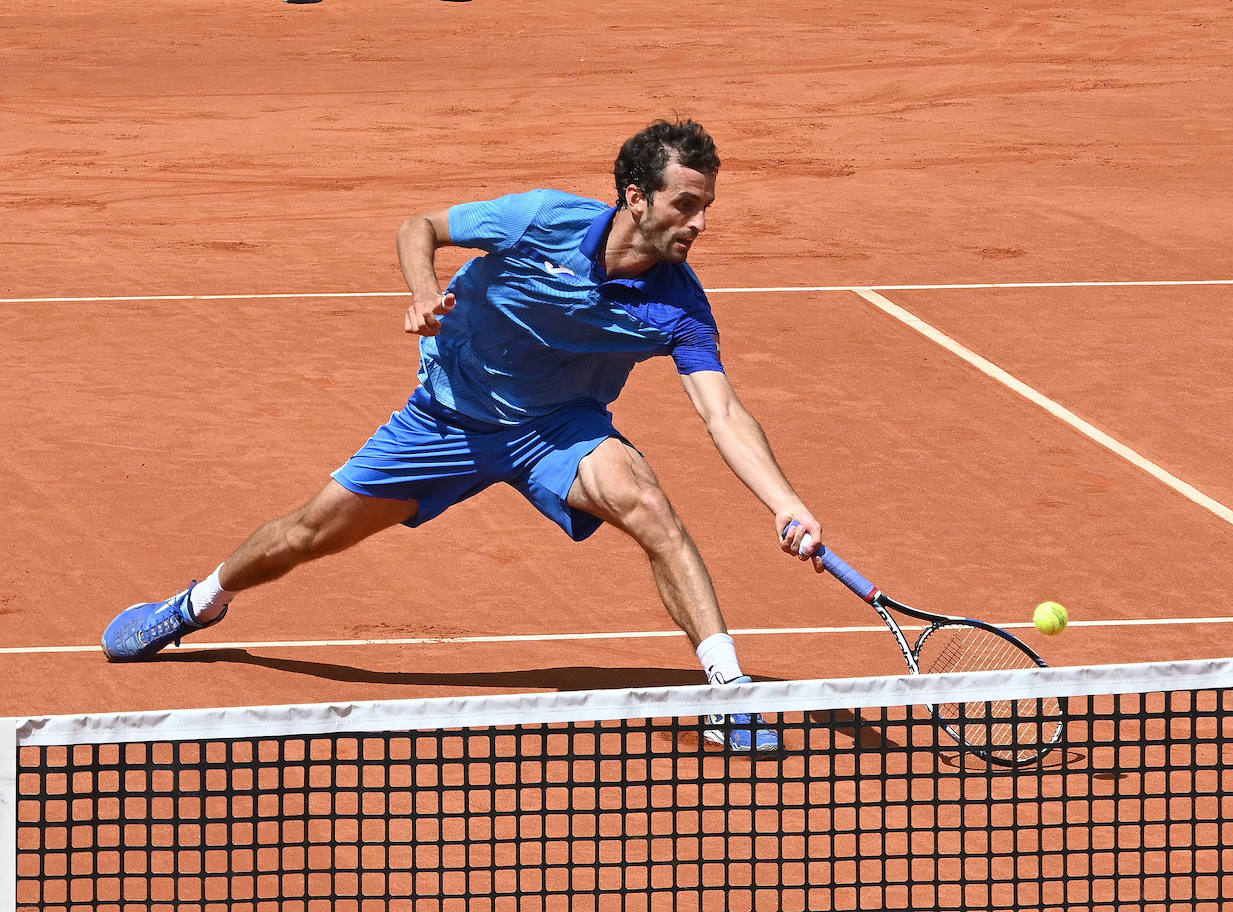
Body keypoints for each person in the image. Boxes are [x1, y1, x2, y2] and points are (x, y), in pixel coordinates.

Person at [101, 119, 823, 751]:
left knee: (649, 506)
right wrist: (422, 290)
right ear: (636, 198)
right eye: (686, 205)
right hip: (447, 416)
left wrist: (786, 504)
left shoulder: (680, 308)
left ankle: (728, 693)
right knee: (307, 534)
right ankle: (199, 603)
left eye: (706, 207)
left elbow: (721, 412)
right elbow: (421, 227)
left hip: (555, 430)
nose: (699, 223)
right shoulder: (541, 219)